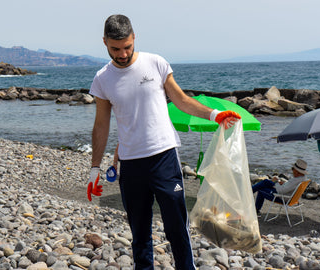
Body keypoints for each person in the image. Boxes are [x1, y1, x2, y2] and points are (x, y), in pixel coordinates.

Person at [87, 14, 241, 270]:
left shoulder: (155, 63)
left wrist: (215, 115)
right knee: (140, 234)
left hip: (164, 158)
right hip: (131, 165)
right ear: (104, 42)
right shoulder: (102, 79)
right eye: (115, 49)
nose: (123, 54)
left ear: (134, 37)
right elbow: (101, 126)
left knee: (176, 228)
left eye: (127, 46)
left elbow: (181, 100)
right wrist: (94, 169)